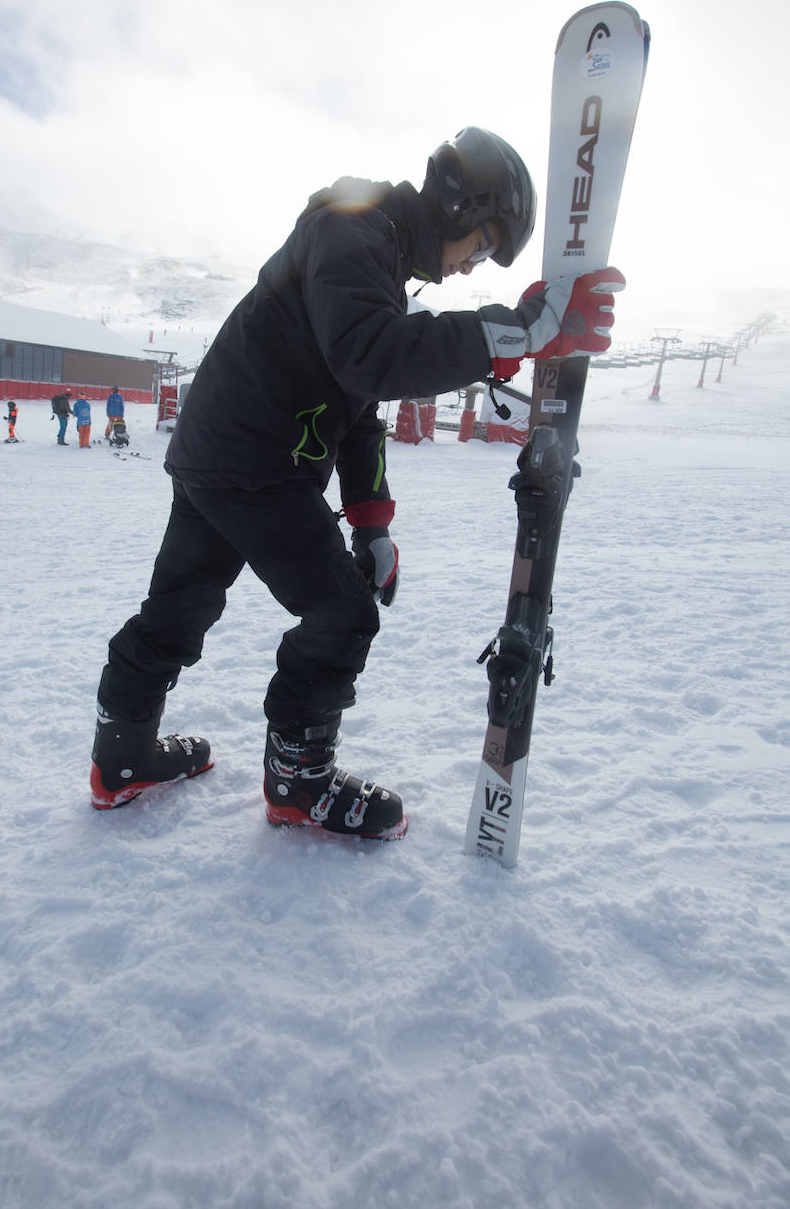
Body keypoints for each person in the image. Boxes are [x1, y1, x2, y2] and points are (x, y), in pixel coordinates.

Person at [90, 126, 622, 838]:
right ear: (463, 207)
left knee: (178, 609)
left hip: (219, 452)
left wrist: (371, 522)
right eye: (486, 243)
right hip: (253, 461)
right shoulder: (353, 231)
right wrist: (524, 330)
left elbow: (360, 406)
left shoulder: (372, 258)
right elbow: (371, 358)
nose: (475, 265)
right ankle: (299, 786)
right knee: (342, 614)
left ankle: (120, 760)